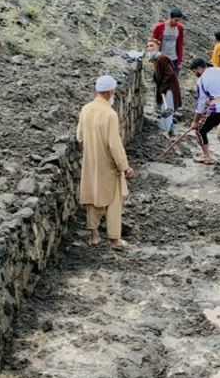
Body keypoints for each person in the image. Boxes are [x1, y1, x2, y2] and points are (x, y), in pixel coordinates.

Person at [76, 75, 134, 247]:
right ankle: (114, 238)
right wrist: (124, 166)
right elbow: (114, 145)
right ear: (109, 92)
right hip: (107, 163)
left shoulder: (86, 109)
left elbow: (79, 136)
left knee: (94, 195)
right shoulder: (110, 114)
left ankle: (93, 235)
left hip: (90, 161)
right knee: (114, 198)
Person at [190, 58, 220, 165]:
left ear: (198, 69)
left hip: (218, 109)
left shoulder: (201, 80)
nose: (195, 74)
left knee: (200, 130)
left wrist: (195, 121)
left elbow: (201, 103)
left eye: (194, 72)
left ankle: (206, 156)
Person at [146, 39, 180, 136]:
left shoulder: (162, 58)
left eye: (152, 46)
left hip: (169, 88)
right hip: (166, 87)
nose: (149, 48)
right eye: (148, 46)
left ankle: (166, 131)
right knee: (166, 108)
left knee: (167, 108)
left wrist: (163, 88)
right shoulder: (156, 59)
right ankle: (170, 131)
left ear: (158, 47)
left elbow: (170, 74)